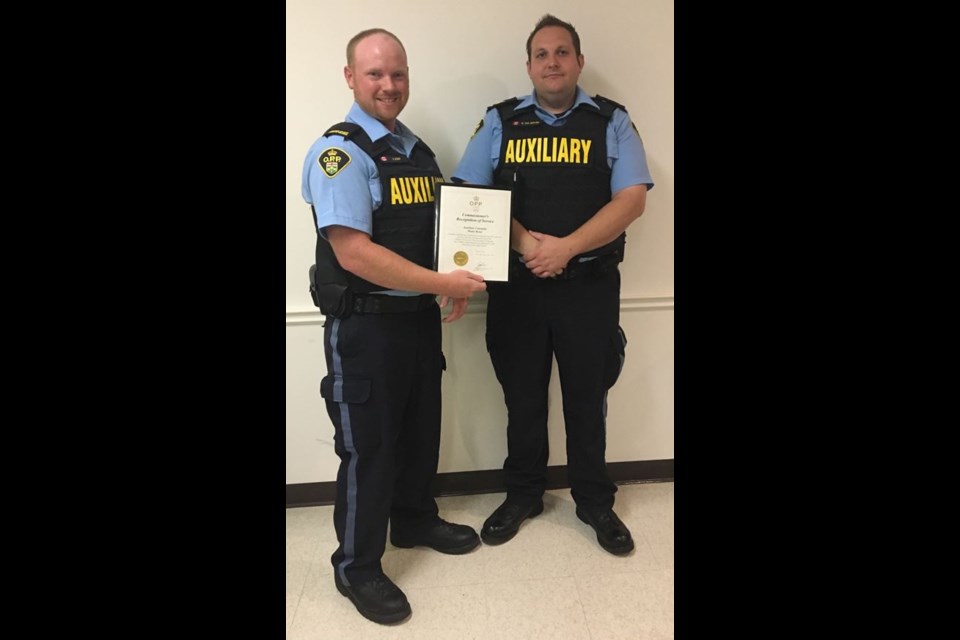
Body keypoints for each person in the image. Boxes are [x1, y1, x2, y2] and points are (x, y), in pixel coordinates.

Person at [301, 28, 487, 625]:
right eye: (376, 73)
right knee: (369, 449)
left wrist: (447, 281)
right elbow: (354, 252)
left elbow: (428, 234)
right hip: (366, 329)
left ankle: (413, 520)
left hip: (414, 323)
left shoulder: (415, 150)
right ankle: (355, 567)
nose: (389, 85)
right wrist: (442, 285)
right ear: (350, 77)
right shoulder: (340, 154)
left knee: (418, 432)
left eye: (398, 74)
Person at [452, 14, 654, 556]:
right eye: (542, 54)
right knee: (521, 397)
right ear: (529, 66)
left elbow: (632, 199)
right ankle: (523, 494)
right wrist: (526, 246)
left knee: (588, 397)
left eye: (562, 52)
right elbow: (469, 193)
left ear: (579, 62)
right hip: (518, 288)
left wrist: (566, 248)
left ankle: (593, 500)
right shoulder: (499, 122)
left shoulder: (612, 121)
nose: (552, 62)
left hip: (588, 287)